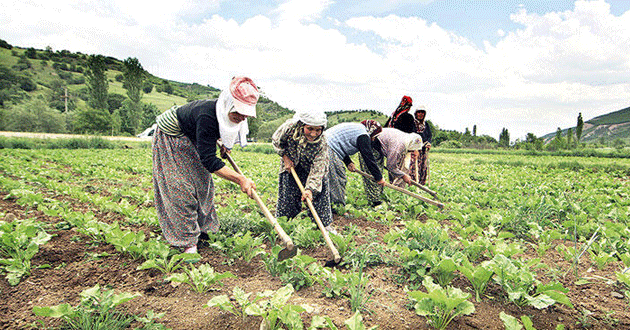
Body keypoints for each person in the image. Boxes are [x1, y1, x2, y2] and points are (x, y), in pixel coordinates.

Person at [152, 76, 259, 254]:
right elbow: (209, 160)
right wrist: (240, 179)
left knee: (203, 184)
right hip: (171, 136)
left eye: (245, 114)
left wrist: (225, 145)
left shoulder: (233, 116)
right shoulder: (207, 115)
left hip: (193, 136)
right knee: (180, 188)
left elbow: (224, 130)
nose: (241, 118)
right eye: (237, 113)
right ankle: (186, 241)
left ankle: (205, 231)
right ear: (228, 106)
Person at [272, 111, 335, 233]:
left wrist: (310, 189)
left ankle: (323, 226)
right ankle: (284, 224)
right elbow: (276, 141)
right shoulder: (289, 128)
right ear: (302, 125)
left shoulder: (322, 142)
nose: (313, 133)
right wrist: (285, 158)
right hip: (290, 161)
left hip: (312, 166)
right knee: (288, 193)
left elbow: (319, 168)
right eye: (309, 128)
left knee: (319, 195)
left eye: (318, 130)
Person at [325, 120, 386, 209]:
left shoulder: (358, 129)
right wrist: (379, 177)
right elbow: (368, 158)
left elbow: (341, 142)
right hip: (328, 147)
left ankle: (326, 203)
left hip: (327, 144)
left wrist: (348, 162)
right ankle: (337, 207)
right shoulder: (363, 135)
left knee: (327, 177)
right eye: (375, 136)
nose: (374, 139)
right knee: (338, 177)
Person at [410, 106, 433, 184]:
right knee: (415, 167)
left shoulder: (425, 124)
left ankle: (422, 184)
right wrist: (415, 147)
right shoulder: (412, 124)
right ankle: (414, 183)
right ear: (416, 114)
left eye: (422, 112)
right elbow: (412, 135)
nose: (420, 114)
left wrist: (429, 143)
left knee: (423, 167)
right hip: (415, 149)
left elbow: (429, 135)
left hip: (423, 149)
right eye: (419, 112)